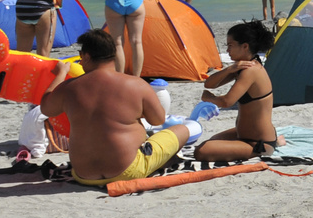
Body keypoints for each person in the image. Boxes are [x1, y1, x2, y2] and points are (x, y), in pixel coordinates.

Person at [39, 29, 197, 186]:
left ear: (87, 56)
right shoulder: (135, 84)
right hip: (128, 171)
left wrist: (60, 74)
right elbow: (158, 120)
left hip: (84, 174)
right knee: (181, 130)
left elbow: (46, 108)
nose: (80, 61)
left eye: (81, 56)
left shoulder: (69, 87)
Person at [193, 22, 283, 162]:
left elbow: (227, 102)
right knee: (213, 140)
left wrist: (209, 98)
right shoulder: (243, 66)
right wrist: (230, 68)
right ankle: (275, 140)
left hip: (258, 143)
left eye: (230, 45)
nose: (227, 50)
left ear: (245, 46)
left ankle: (271, 144)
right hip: (247, 135)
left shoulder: (251, 70)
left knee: (202, 151)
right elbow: (209, 84)